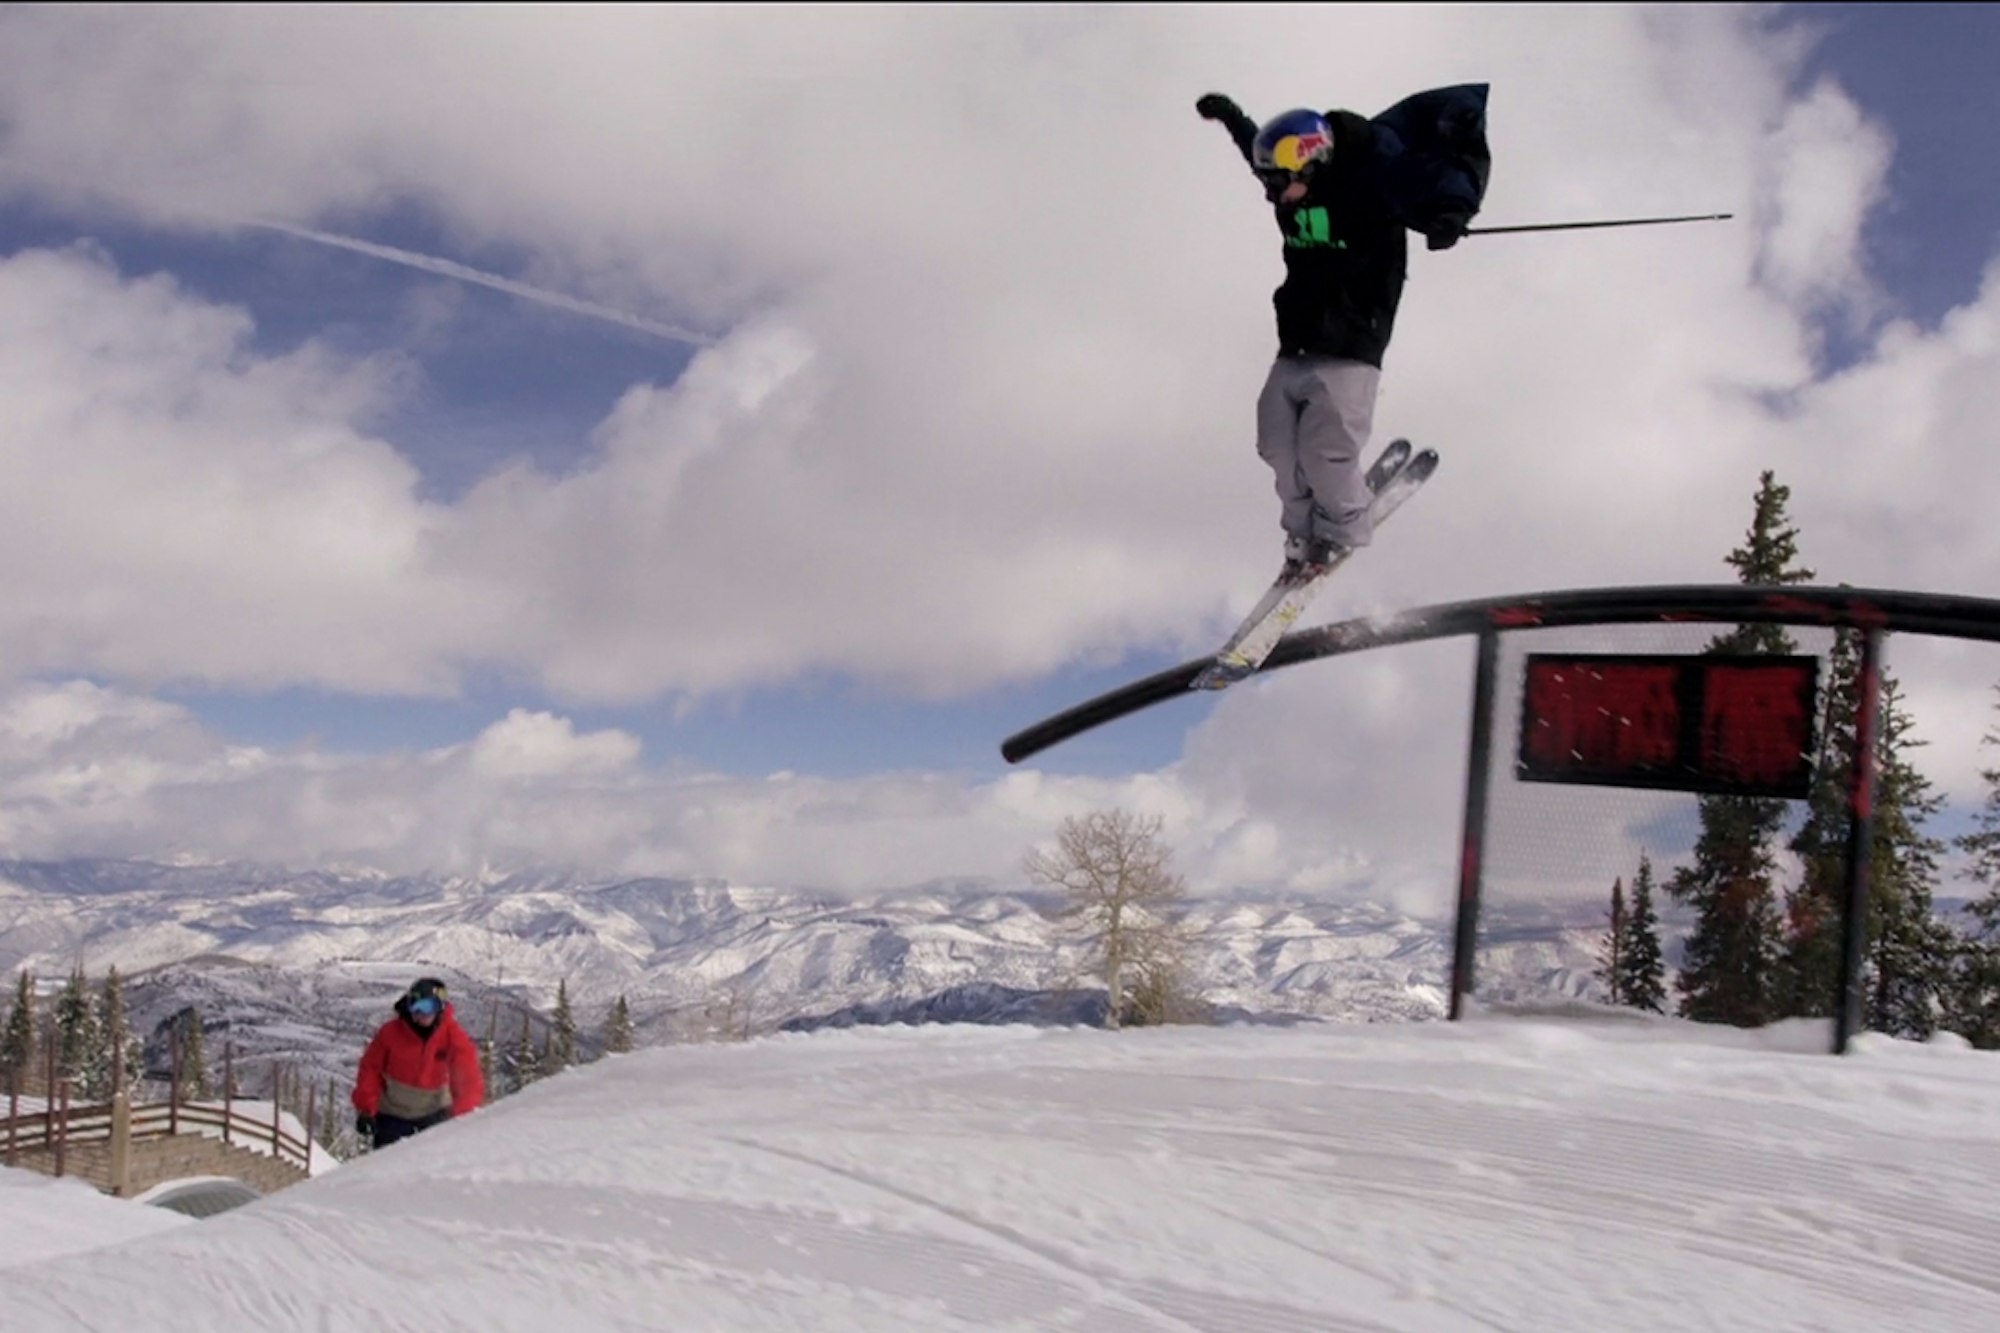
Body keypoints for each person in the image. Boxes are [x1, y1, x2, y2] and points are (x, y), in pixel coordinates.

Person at [1196, 87, 1488, 570]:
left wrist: (1448, 217)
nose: (1272, 194)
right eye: (1267, 182)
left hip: (1354, 337)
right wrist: (1232, 117)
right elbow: (1256, 148)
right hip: (1298, 339)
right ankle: (1302, 534)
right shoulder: (1290, 181)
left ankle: (1343, 528)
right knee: (1274, 444)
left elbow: (1428, 179)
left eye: (1278, 183)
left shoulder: (1369, 183)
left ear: (1312, 164)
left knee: (1325, 452)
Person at [351, 976, 484, 1150]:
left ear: (440, 1007)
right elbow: (370, 1068)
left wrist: (464, 1116)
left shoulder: (451, 1035)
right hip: (393, 1114)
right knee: (388, 1166)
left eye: (428, 1007)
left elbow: (468, 1077)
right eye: (416, 1006)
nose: (422, 1014)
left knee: (432, 1165)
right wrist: (367, 1108)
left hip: (434, 1114)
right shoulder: (391, 1033)